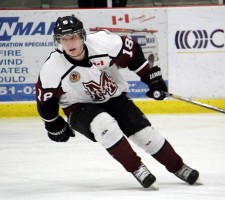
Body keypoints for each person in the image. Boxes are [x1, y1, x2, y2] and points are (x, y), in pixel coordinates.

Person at [35, 15, 199, 189]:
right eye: (64, 39)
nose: (70, 44)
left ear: (82, 35)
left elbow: (132, 51)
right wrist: (53, 124)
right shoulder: (52, 67)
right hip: (78, 107)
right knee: (104, 125)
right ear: (58, 41)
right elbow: (45, 100)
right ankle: (137, 168)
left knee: (145, 135)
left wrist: (151, 78)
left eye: (74, 37)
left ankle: (178, 166)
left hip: (113, 98)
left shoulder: (103, 44)